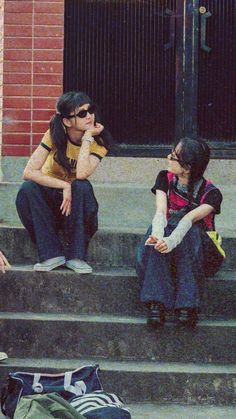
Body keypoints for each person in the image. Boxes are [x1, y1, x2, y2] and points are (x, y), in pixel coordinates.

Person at [16, 91, 112, 273]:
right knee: (28, 189)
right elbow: (28, 172)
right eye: (82, 113)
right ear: (67, 121)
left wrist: (87, 137)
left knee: (81, 186)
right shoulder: (54, 135)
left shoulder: (98, 142)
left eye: (90, 110)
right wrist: (63, 185)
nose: (89, 116)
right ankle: (51, 255)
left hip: (77, 209)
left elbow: (82, 173)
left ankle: (76, 256)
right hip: (51, 205)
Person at [136, 137, 223, 328]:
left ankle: (187, 306)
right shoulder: (164, 178)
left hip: (198, 252)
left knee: (190, 231)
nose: (168, 158)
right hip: (169, 246)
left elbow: (188, 220)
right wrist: (158, 236)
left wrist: (170, 241)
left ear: (188, 167)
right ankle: (156, 304)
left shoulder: (212, 193)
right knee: (157, 228)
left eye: (174, 157)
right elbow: (160, 211)